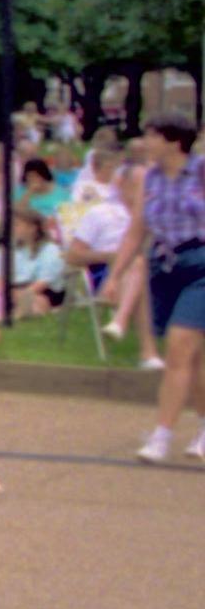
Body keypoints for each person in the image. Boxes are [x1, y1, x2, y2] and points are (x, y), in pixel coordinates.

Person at [127, 118, 205, 464]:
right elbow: (137, 229)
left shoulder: (201, 172)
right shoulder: (151, 178)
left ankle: (162, 435)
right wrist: (115, 275)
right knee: (194, 359)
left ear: (174, 142)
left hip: (201, 262)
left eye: (152, 136)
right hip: (167, 265)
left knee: (178, 347)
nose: (145, 143)